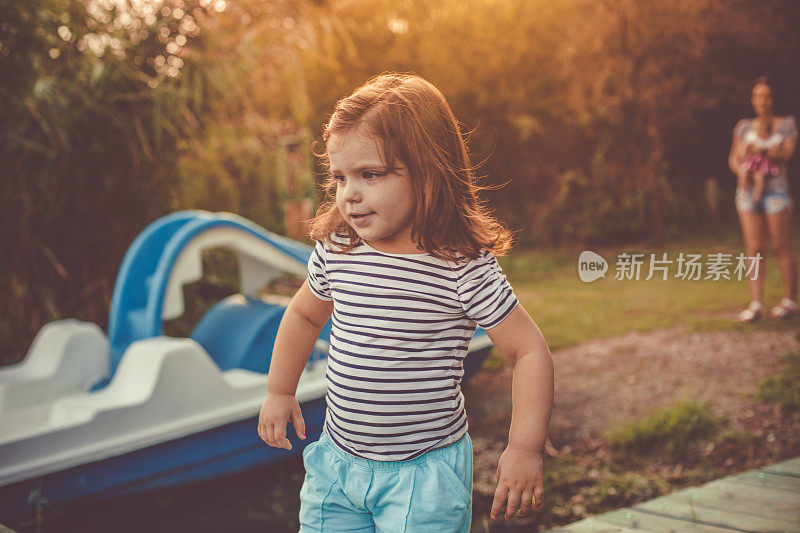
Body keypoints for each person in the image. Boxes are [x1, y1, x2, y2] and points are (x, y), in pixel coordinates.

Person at [257, 73, 554, 532]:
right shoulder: (339, 248)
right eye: (340, 176)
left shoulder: (459, 264)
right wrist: (280, 390)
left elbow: (529, 351)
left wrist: (524, 448)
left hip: (424, 476)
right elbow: (301, 314)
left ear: (429, 171)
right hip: (337, 466)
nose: (349, 193)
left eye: (370, 174)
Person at [729, 76, 798, 322]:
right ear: (752, 99)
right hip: (747, 192)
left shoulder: (786, 124)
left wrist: (759, 151)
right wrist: (745, 173)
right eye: (758, 96)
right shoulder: (743, 127)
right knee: (754, 249)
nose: (762, 100)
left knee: (781, 246)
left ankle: (789, 300)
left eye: (767, 95)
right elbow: (734, 158)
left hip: (776, 192)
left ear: (773, 98)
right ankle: (756, 303)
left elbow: (786, 153)